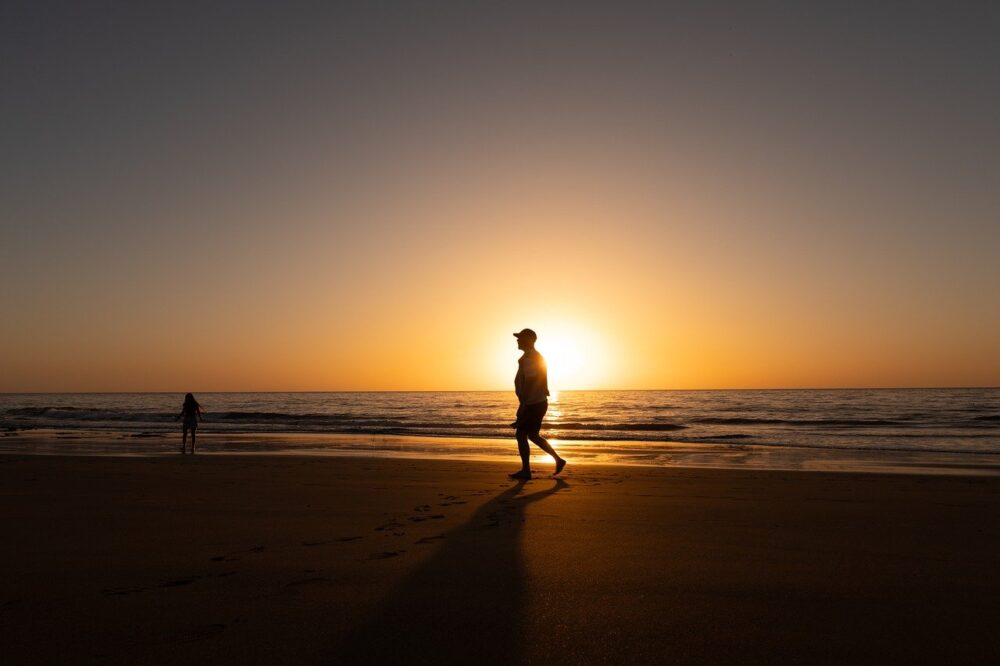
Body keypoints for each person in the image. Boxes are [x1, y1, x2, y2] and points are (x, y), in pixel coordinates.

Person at [509, 328, 566, 480]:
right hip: (536, 402)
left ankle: (526, 471)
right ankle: (558, 460)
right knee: (532, 435)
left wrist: (523, 408)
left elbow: (531, 382)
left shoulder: (530, 359)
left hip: (533, 403)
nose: (517, 340)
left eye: (520, 338)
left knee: (521, 434)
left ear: (529, 340)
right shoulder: (531, 357)